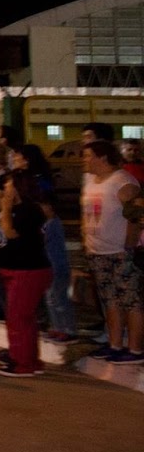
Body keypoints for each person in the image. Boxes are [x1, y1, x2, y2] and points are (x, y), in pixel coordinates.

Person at [80, 140, 144, 364]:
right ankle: (115, 344)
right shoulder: (90, 181)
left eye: (88, 155)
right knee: (110, 301)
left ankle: (135, 349)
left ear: (103, 157)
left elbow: (136, 214)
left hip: (120, 252)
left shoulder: (122, 181)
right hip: (97, 252)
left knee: (131, 301)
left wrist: (130, 245)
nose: (84, 160)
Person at [0, 153, 54, 376]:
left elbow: (10, 232)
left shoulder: (28, 210)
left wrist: (5, 206)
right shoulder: (20, 208)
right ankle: (28, 359)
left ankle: (23, 363)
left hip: (27, 270)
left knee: (19, 318)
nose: (5, 188)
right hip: (16, 268)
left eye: (9, 184)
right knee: (22, 318)